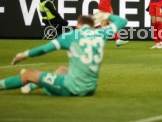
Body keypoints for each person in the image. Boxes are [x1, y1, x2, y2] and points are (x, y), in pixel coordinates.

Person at [0, 13, 128, 96]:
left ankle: (25, 83)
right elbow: (122, 21)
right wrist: (105, 15)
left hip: (72, 88)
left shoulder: (71, 35)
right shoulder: (101, 34)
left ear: (78, 25)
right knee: (62, 70)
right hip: (90, 89)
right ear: (92, 26)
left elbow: (44, 49)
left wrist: (24, 54)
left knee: (27, 74)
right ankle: (32, 86)